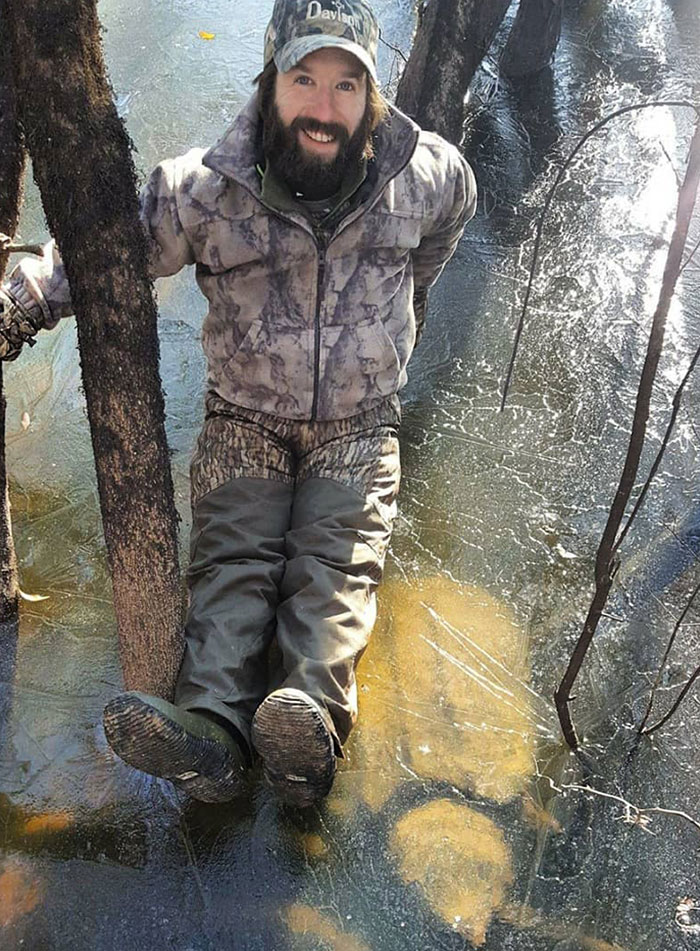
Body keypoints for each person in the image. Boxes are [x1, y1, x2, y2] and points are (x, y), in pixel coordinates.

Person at [0, 0, 476, 807]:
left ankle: (306, 731)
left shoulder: (424, 173)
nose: (325, 109)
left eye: (346, 86)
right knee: (233, 568)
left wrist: (399, 314)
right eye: (305, 80)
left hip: (359, 426)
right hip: (245, 418)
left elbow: (444, 231)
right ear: (270, 82)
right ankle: (212, 736)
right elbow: (110, 248)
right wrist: (22, 297)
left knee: (336, 570)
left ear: (372, 98)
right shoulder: (205, 189)